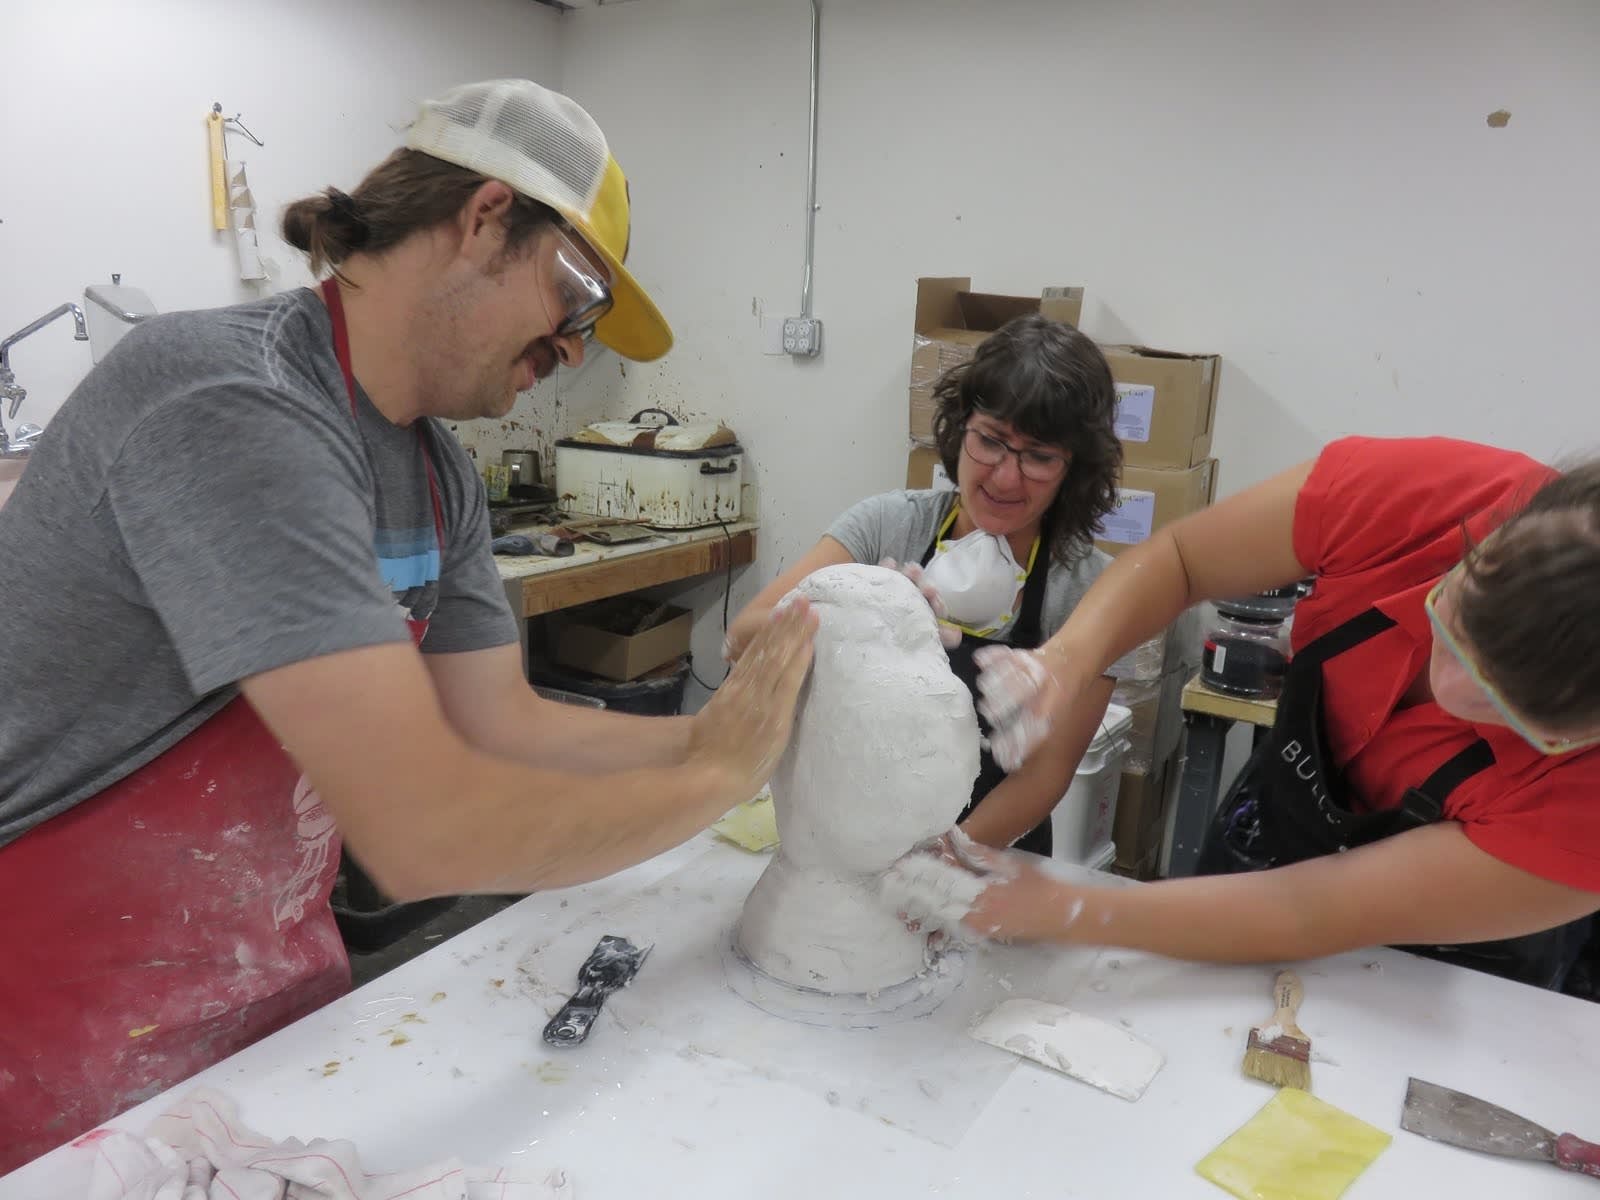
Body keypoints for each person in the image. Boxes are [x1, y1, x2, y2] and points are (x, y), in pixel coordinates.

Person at [0, 79, 816, 1170]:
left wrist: (724, 743)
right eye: (575, 296)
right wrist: (713, 783)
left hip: (274, 997)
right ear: (483, 219)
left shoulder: (437, 474)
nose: (572, 351)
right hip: (62, 1025)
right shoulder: (226, 403)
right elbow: (422, 829)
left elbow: (499, 728)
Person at [952, 435, 1600, 989]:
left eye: (1502, 703)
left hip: (1458, 972)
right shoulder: (1428, 496)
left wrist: (1071, 910)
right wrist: (1065, 660)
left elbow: (1309, 911)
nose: (1451, 685)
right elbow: (1182, 561)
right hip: (1281, 818)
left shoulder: (1586, 813)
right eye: (1455, 623)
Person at [726, 314, 1131, 856]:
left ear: (1073, 468)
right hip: (852, 836)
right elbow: (742, 638)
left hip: (991, 851)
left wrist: (943, 861)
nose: (1005, 477)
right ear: (960, 428)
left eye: (1038, 457)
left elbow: (1044, 777)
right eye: (990, 441)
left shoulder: (1090, 588)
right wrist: (856, 606)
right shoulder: (886, 527)